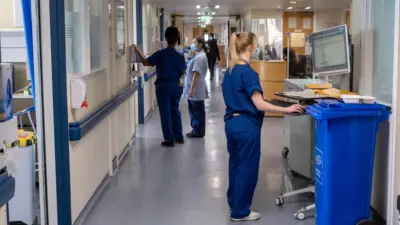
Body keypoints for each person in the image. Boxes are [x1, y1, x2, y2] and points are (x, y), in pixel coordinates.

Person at [222, 32, 304, 222]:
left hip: (231, 124)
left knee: (235, 165)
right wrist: (286, 109)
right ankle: (240, 212)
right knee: (247, 168)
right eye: (256, 45)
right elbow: (258, 104)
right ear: (250, 47)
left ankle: (234, 202)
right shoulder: (248, 73)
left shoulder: (230, 70)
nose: (257, 48)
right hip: (246, 126)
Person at [134, 26, 186, 147]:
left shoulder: (161, 54)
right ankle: (179, 136)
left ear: (166, 38)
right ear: (177, 38)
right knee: (175, 110)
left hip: (163, 86)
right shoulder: (180, 55)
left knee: (165, 113)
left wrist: (138, 52)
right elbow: (183, 70)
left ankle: (169, 139)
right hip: (176, 86)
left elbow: (146, 62)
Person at [183, 36, 209, 138]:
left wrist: (192, 89)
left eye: (194, 42)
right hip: (196, 88)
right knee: (195, 111)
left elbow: (196, 73)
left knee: (197, 111)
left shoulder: (199, 57)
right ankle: (196, 130)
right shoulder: (198, 55)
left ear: (200, 44)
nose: (192, 44)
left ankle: (198, 132)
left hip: (196, 89)